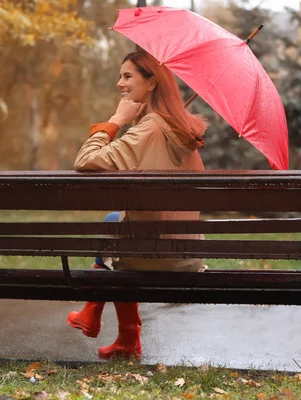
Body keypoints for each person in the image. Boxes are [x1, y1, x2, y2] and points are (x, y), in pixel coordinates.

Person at [66, 49, 208, 360]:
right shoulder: (180, 130)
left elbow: (85, 160)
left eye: (128, 76)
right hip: (187, 256)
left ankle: (102, 316)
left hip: (151, 256)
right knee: (115, 220)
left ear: (152, 83)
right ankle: (114, 330)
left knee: (116, 227)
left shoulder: (152, 129)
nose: (120, 83)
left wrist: (116, 120)